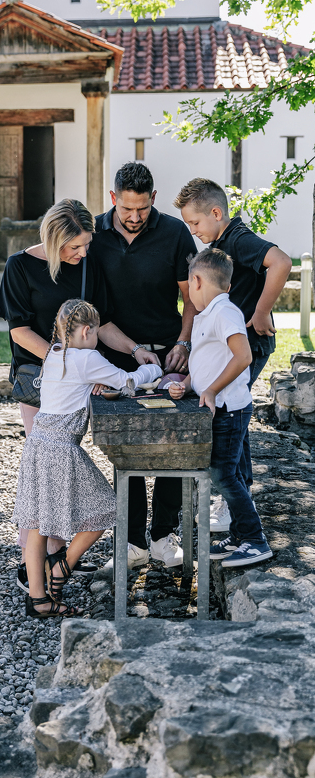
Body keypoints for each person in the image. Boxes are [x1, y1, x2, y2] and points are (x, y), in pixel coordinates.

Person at [0, 197, 159, 589]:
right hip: (39, 381)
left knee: (58, 475)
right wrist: (64, 362)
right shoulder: (19, 267)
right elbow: (19, 331)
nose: (83, 252)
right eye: (74, 247)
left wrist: (135, 350)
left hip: (74, 383)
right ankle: (35, 569)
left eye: (86, 244)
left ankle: (54, 558)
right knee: (45, 479)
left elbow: (101, 325)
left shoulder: (87, 265)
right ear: (54, 242)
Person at [13, 298, 162, 617]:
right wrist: (155, 367)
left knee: (38, 524)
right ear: (84, 331)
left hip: (38, 443)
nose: (97, 340)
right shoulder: (87, 357)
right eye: (95, 333)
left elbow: (79, 381)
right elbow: (128, 381)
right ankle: (62, 568)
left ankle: (39, 600)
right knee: (109, 507)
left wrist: (94, 379)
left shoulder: (54, 353)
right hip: (61, 448)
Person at [90, 162, 198, 569]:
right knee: (126, 447)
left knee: (174, 443)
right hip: (117, 354)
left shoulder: (173, 232)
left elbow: (192, 296)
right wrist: (132, 350)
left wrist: (185, 343)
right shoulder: (96, 234)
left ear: (153, 198)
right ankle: (132, 543)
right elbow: (94, 311)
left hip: (172, 351)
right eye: (127, 209)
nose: (134, 218)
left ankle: (162, 537)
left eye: (142, 209)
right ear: (113, 198)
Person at [174, 177, 291, 527]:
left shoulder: (237, 239)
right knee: (231, 416)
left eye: (195, 223)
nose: (193, 231)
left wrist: (260, 310)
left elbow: (281, 263)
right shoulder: (222, 243)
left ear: (215, 212)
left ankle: (236, 501)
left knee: (232, 417)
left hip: (248, 343)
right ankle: (237, 496)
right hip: (233, 342)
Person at [169, 249, 272, 566]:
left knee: (224, 475)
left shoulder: (224, 313)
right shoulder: (208, 314)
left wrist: (211, 390)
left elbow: (243, 357)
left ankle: (255, 540)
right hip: (222, 407)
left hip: (229, 409)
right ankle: (241, 535)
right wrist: (185, 384)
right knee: (233, 473)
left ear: (196, 281)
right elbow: (207, 361)